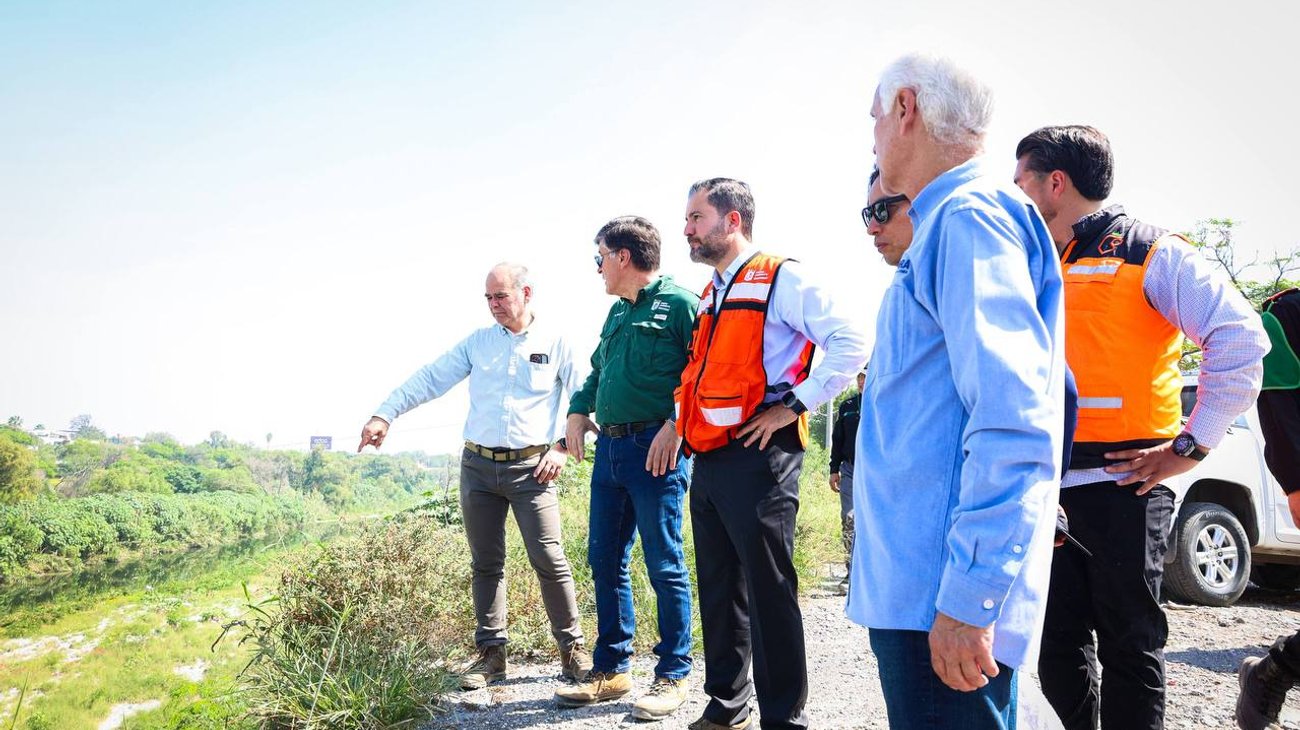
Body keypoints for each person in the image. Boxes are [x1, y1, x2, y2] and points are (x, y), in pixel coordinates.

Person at [1013, 125, 1269, 730]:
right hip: (1044, 490)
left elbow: (1240, 340)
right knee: (1054, 647)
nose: (1014, 194)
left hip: (1125, 488)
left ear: (1056, 183)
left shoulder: (1152, 251)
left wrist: (1190, 446)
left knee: (1130, 644)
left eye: (1021, 181)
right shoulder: (1028, 259)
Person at [847, 53, 1067, 730]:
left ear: (906, 108)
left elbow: (1013, 420)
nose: (874, 136)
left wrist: (971, 598)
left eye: (876, 117)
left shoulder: (967, 218)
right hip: (926, 594)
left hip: (940, 601)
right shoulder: (953, 220)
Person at [675, 177, 868, 730]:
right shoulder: (712, 291)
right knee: (719, 586)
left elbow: (852, 343)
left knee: (768, 587)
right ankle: (727, 704)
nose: (687, 229)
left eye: (696, 218)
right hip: (711, 454)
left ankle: (783, 718)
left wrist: (794, 406)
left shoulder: (783, 278)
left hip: (762, 451)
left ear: (732, 220)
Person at [358, 262, 593, 690]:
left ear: (526, 293)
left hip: (533, 470)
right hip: (478, 469)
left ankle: (573, 650)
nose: (493, 305)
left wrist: (562, 447)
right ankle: (490, 657)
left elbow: (587, 399)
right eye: (488, 298)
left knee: (550, 559)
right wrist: (384, 414)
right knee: (486, 563)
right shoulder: (479, 343)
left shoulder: (557, 343)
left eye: (501, 296)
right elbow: (430, 378)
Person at [552, 216, 698, 720]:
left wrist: (677, 425)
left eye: (600, 258)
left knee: (664, 562)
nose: (598, 269)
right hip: (611, 452)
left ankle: (673, 674)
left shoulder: (680, 304)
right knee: (605, 559)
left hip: (655, 450)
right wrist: (577, 411)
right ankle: (612, 670)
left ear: (622, 257)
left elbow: (703, 372)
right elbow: (598, 371)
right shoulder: (617, 312)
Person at [828, 169, 918, 595]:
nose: (872, 227)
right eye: (867, 214)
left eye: (882, 211)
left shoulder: (966, 273)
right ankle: (855, 571)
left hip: (922, 510)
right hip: (863, 476)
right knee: (851, 521)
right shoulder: (902, 287)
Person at [1235, 287, 1299, 730]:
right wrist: (1296, 485)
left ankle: (1275, 669)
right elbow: (1277, 401)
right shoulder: (1287, 313)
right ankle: (1274, 670)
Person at [828, 368, 865, 594]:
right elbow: (837, 439)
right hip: (849, 469)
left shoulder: (882, 403)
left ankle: (869, 574)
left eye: (866, 376)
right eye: (859, 377)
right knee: (849, 518)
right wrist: (834, 469)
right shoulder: (847, 406)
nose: (862, 381)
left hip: (874, 471)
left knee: (873, 521)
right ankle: (851, 574)